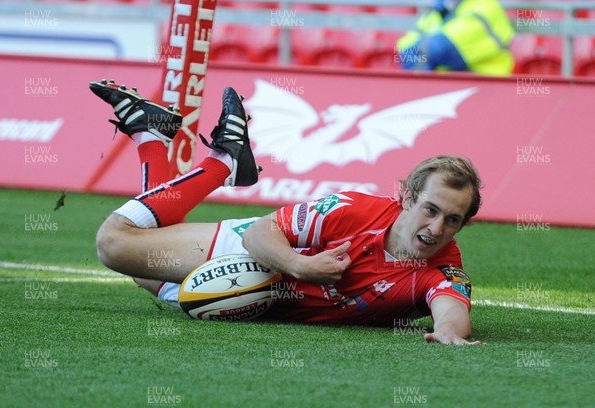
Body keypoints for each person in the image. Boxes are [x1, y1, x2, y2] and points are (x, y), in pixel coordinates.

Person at [91, 80, 483, 346]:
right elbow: (259, 233)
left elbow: (451, 308)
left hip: (254, 301)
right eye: (430, 210)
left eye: (452, 220)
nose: (436, 228)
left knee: (144, 269)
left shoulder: (442, 269)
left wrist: (449, 332)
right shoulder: (354, 210)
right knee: (115, 244)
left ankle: (150, 136)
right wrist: (302, 266)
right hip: (252, 257)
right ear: (408, 197)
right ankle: (224, 162)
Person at [396, 0, 515, 75]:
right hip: (446, 92)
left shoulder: (485, 7)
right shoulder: (440, 11)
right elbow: (404, 48)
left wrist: (420, 58)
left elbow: (439, 48)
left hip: (489, 94)